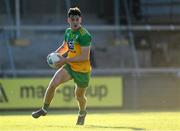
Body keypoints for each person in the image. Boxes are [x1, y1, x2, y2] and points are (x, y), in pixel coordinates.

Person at [32, 7, 92, 125]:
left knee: (79, 97)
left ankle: (82, 112)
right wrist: (55, 55)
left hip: (82, 70)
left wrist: (64, 60)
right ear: (68, 20)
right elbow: (65, 46)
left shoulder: (85, 35)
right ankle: (44, 109)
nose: (75, 22)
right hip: (70, 66)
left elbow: (85, 57)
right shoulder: (68, 32)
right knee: (53, 84)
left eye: (77, 19)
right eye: (72, 19)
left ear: (80, 20)